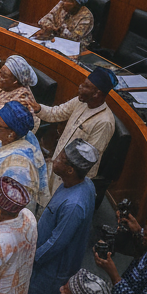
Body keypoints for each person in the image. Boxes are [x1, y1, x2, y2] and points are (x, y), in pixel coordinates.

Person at [20, 141, 101, 294]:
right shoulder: (84, 183)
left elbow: (56, 243)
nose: (55, 159)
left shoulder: (74, 205)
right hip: (50, 259)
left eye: (61, 159)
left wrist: (31, 259)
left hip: (52, 266)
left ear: (70, 170)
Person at [36, 67, 116, 197]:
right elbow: (56, 113)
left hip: (72, 179)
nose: (80, 87)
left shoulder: (105, 122)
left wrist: (63, 170)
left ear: (97, 93)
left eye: (85, 86)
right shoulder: (81, 101)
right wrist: (37, 108)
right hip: (58, 165)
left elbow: (88, 160)